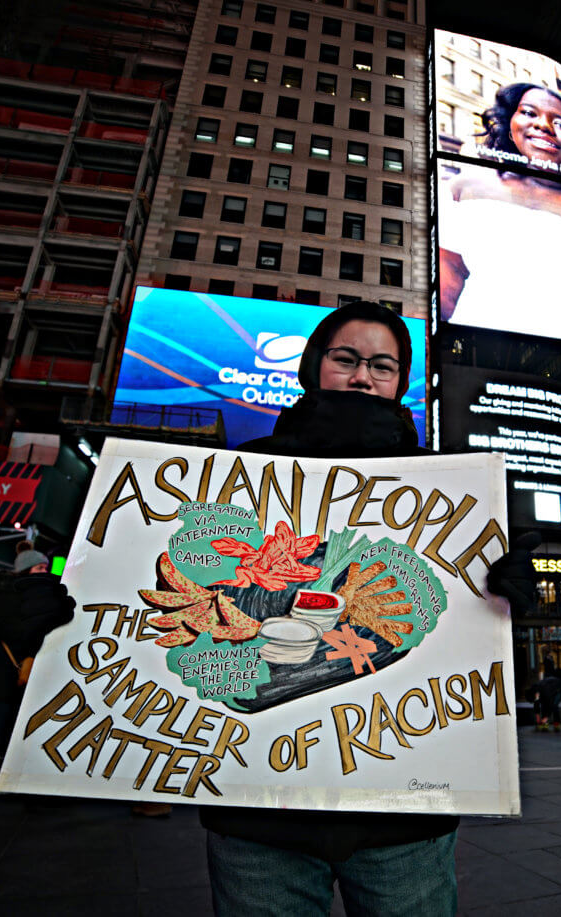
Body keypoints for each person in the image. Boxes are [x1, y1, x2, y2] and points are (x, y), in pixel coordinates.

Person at [205, 300, 538, 917]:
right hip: (258, 816)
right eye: (346, 360)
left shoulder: (449, 484)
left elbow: (471, 648)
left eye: (382, 366)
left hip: (403, 820)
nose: (362, 377)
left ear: (400, 383)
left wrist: (506, 601)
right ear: (312, 367)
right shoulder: (241, 469)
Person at [438, 83, 561, 364]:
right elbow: (445, 287)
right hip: (486, 348)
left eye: (560, 124)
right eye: (528, 112)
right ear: (510, 124)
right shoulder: (464, 185)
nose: (543, 125)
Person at [0, 543, 75, 812]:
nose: (45, 572)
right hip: (1, 677)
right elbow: (15, 631)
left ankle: (14, 788)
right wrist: (47, 618)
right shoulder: (6, 596)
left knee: (18, 738)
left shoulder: (40, 596)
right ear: (25, 571)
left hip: (21, 677)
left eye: (45, 567)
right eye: (39, 568)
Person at [529, 656, 561, 732]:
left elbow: (550, 704)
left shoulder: (544, 690)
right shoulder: (536, 692)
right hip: (551, 687)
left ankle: (556, 723)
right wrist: (538, 717)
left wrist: (546, 717)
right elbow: (536, 704)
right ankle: (545, 723)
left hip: (560, 688)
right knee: (544, 703)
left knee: (554, 705)